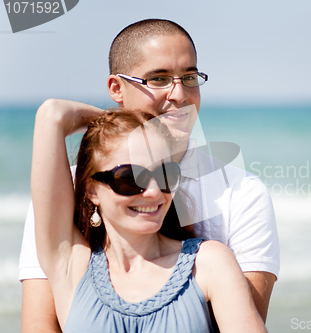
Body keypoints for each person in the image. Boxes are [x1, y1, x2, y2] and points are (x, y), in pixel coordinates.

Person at [19, 19, 279, 332]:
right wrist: (115, 126)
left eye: (189, 77)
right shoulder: (64, 190)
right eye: (158, 79)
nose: (179, 95)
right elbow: (40, 325)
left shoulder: (241, 193)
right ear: (117, 88)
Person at [31, 105, 267, 332]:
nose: (154, 191)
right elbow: (52, 115)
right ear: (92, 190)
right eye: (131, 177)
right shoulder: (71, 265)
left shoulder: (207, 264)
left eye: (165, 175)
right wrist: (110, 122)